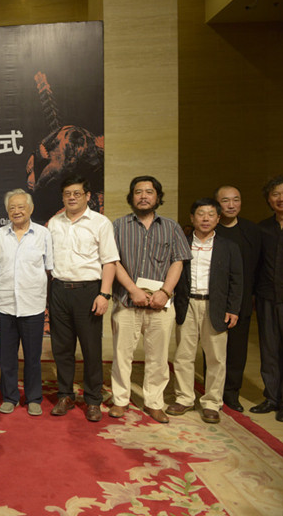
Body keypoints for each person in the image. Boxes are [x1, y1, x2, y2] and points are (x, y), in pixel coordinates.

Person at [109, 176, 191, 424]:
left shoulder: (171, 227)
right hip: (127, 301)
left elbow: (178, 261)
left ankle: (154, 402)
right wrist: (133, 290)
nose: (143, 196)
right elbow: (113, 261)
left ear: (157, 197)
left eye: (149, 192)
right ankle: (120, 400)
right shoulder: (118, 226)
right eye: (138, 192)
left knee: (158, 356)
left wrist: (165, 292)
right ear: (131, 197)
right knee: (122, 355)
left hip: (160, 304)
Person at [47, 175, 118, 422]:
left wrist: (104, 294)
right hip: (59, 290)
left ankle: (93, 399)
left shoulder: (100, 223)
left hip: (89, 291)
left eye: (77, 193)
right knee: (62, 348)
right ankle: (65, 395)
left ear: (87, 196)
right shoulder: (54, 223)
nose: (72, 197)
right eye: (67, 194)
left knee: (91, 348)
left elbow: (110, 261)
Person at [167, 198, 242, 424]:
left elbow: (237, 280)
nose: (206, 219)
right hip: (187, 303)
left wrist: (233, 308)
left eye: (211, 214)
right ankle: (184, 398)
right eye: (201, 214)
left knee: (216, 357)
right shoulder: (181, 243)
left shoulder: (229, 247)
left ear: (218, 218)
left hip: (215, 306)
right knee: (183, 355)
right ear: (192, 218)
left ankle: (211, 403)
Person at [0, 189, 52, 415]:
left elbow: (49, 268)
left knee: (32, 357)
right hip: (6, 304)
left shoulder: (43, 234)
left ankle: (34, 397)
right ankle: (10, 396)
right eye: (12, 208)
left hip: (32, 304)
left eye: (21, 207)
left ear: (31, 209)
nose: (16, 211)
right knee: (7, 357)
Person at [214, 185, 261, 412]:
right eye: (225, 201)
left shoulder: (252, 231)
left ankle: (231, 393)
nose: (231, 205)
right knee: (214, 349)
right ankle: (213, 392)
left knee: (237, 350)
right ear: (217, 204)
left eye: (236, 200)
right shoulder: (210, 229)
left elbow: (259, 265)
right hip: (214, 299)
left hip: (241, 299)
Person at [249, 175, 283, 422]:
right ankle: (272, 397)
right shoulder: (261, 229)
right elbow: (255, 265)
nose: (281, 198)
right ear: (269, 200)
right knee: (269, 349)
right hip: (266, 297)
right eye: (276, 194)